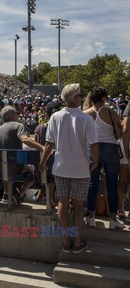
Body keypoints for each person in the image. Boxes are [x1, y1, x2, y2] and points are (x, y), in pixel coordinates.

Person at [40, 84, 99, 253]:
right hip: (80, 167)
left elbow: (49, 144)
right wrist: (95, 162)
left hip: (61, 166)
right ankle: (78, 243)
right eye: (80, 95)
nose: (82, 98)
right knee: (79, 205)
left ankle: (66, 242)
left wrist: (43, 162)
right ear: (75, 98)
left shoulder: (55, 117)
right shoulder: (86, 119)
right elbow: (94, 145)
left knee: (62, 203)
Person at [83, 87, 125, 229]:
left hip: (92, 148)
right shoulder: (111, 112)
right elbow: (119, 134)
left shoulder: (85, 114)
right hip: (110, 149)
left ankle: (91, 217)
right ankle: (113, 219)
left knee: (92, 185)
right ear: (103, 98)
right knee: (112, 184)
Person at [0, 106, 44, 204]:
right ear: (12, 116)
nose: (18, 115)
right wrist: (43, 147)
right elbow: (24, 139)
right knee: (35, 169)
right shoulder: (18, 125)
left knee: (6, 162)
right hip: (12, 167)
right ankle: (19, 194)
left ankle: (7, 193)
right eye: (16, 113)